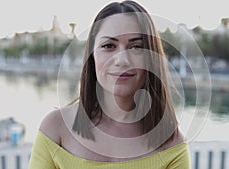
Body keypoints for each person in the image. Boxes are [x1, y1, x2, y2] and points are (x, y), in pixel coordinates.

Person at [28, 1, 190, 168]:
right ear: (92, 55)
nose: (121, 60)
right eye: (108, 46)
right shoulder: (56, 128)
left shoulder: (173, 144)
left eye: (136, 47)